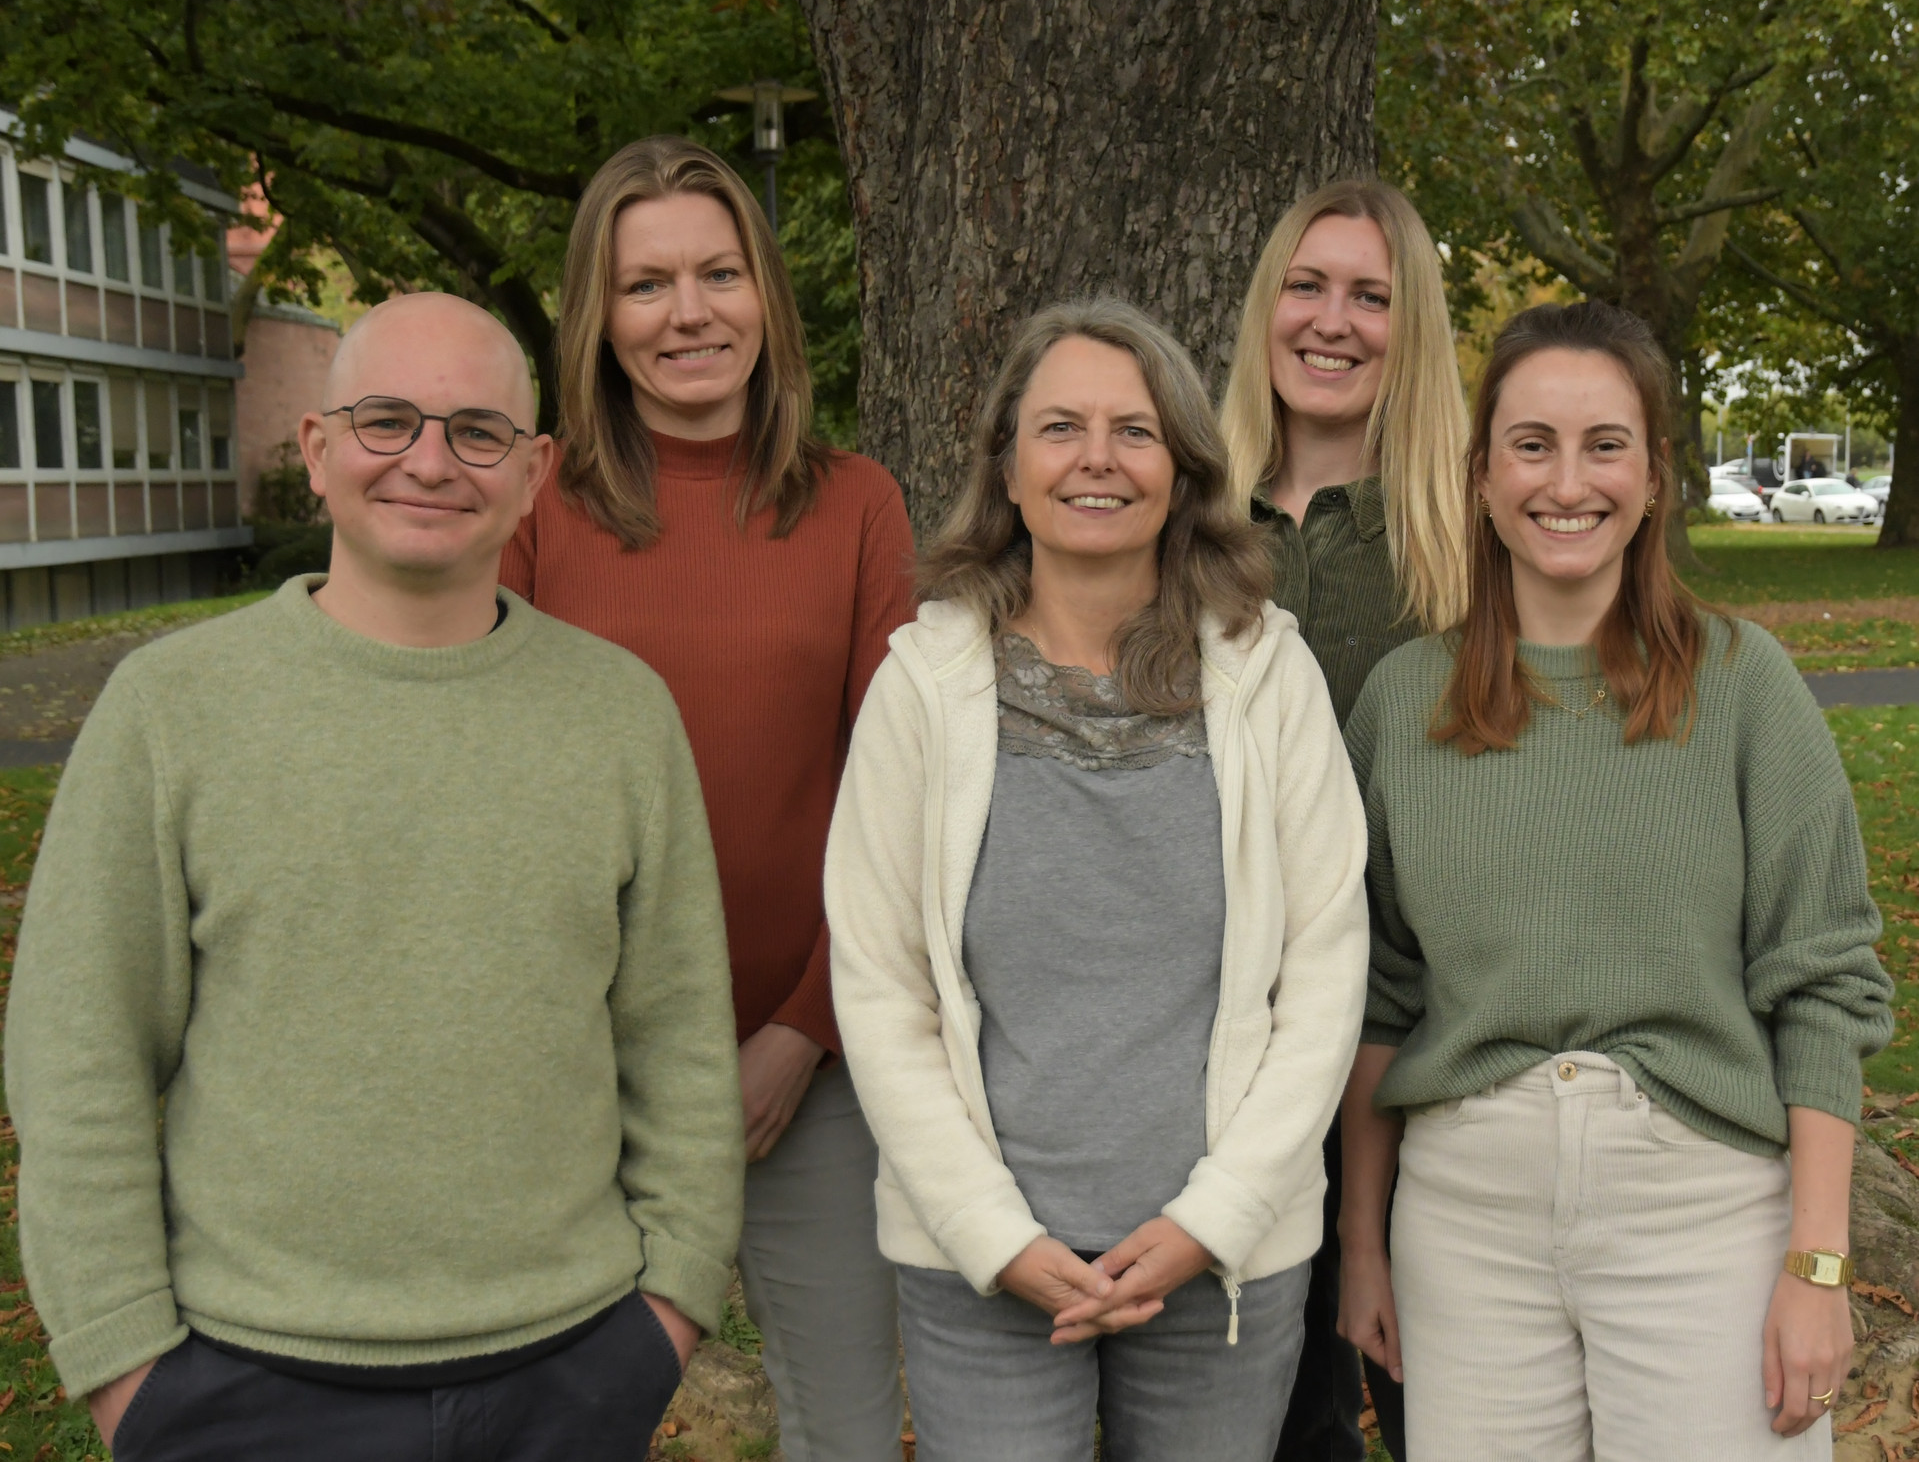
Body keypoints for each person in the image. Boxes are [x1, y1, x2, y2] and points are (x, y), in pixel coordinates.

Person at [5, 292, 744, 1462]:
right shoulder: (172, 708)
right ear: (317, 447)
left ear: (534, 468)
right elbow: (78, 1048)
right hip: (241, 1385)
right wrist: (123, 1364)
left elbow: (680, 1040)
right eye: (386, 420)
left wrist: (670, 1307)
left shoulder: (618, 714)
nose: (429, 462)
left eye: (475, 431)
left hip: (570, 1373)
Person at [1337, 300, 1894, 1460]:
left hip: (1701, 1214)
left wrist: (1818, 1261)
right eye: (1530, 444)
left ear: (1652, 478)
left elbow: (1824, 983)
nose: (1565, 482)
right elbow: (1379, 993)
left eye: (1605, 445)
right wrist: (1361, 1246)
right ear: (1480, 475)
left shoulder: (1744, 685)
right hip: (1465, 1220)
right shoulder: (1401, 702)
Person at [825, 297, 1371, 1462]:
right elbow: (879, 990)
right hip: (983, 1271)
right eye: (1059, 426)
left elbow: (1324, 973)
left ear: (1179, 468)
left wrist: (1208, 1222)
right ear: (1006, 468)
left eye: (1133, 430)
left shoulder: (1268, 676)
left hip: (1220, 1265)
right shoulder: (920, 689)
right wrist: (989, 1235)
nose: (1096, 459)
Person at [499, 136, 916, 1462]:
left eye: (719, 273)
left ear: (764, 296)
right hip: (574, 1081)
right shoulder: (532, 504)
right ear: (596, 317)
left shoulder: (855, 506)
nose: (688, 313)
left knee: (844, 1431)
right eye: (645, 284)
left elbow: (901, 802)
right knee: (566, 1430)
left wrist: (800, 1030)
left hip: (808, 1063)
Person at [1218, 177, 1470, 1462]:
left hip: (1429, 1058)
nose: (1332, 321)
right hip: (1233, 1065)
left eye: (1369, 296)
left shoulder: (1465, 542)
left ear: (1407, 325)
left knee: (1445, 1409)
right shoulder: (1184, 527)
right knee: (1282, 1426)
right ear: (1265, 307)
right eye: (1305, 287)